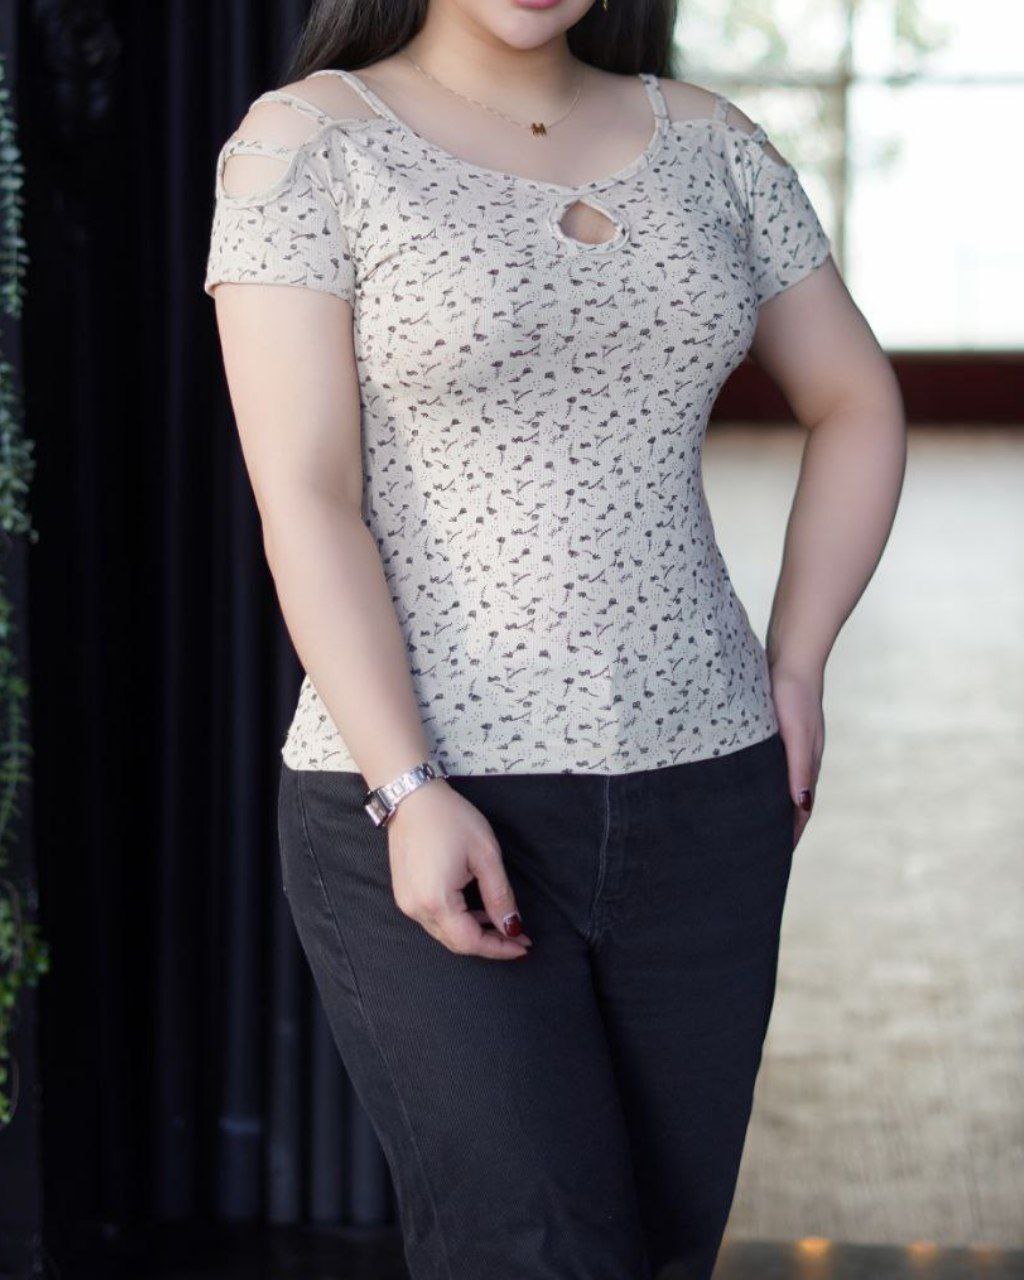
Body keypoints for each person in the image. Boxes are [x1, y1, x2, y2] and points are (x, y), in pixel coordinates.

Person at [204, 1, 906, 1276]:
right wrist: (406, 785)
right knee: (533, 1249)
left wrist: (797, 661)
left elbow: (855, 397)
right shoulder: (308, 143)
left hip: (710, 785)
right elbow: (305, 494)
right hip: (432, 793)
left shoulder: (711, 141)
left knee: (661, 1247)